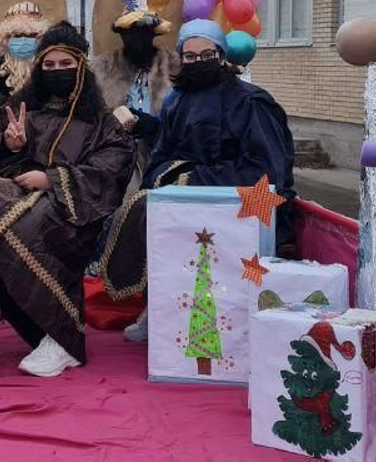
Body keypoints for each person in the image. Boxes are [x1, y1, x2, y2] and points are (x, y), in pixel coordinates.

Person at [0, 22, 134, 377]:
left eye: (66, 65)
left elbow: (112, 169)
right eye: (49, 66)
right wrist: (9, 145)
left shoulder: (101, 122)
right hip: (17, 187)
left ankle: (61, 339)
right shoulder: (21, 108)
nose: (57, 72)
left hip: (69, 207)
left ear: (81, 67)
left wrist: (52, 179)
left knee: (31, 225)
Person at [99, 18, 296, 341]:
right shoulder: (179, 102)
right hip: (187, 201)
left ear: (222, 57)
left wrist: (192, 180)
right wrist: (171, 181)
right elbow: (162, 155)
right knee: (143, 207)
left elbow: (267, 170)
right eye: (190, 56)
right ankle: (162, 307)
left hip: (242, 205)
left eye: (207, 55)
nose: (198, 62)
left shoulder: (251, 102)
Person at [88, 0, 179, 164]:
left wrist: (156, 128)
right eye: (131, 31)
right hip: (112, 161)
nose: (138, 38)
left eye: (144, 31)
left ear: (154, 33)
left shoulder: (176, 68)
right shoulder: (99, 70)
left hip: (162, 158)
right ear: (121, 34)